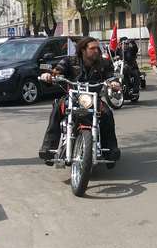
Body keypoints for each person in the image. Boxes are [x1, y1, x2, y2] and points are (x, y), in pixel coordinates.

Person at [38, 37, 121, 165]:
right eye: (92, 48)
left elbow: (111, 77)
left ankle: (110, 151)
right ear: (83, 50)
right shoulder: (70, 61)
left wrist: (114, 82)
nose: (96, 51)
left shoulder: (104, 63)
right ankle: (48, 148)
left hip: (93, 99)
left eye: (97, 48)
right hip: (72, 97)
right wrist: (49, 76)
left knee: (107, 113)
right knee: (57, 109)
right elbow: (57, 71)